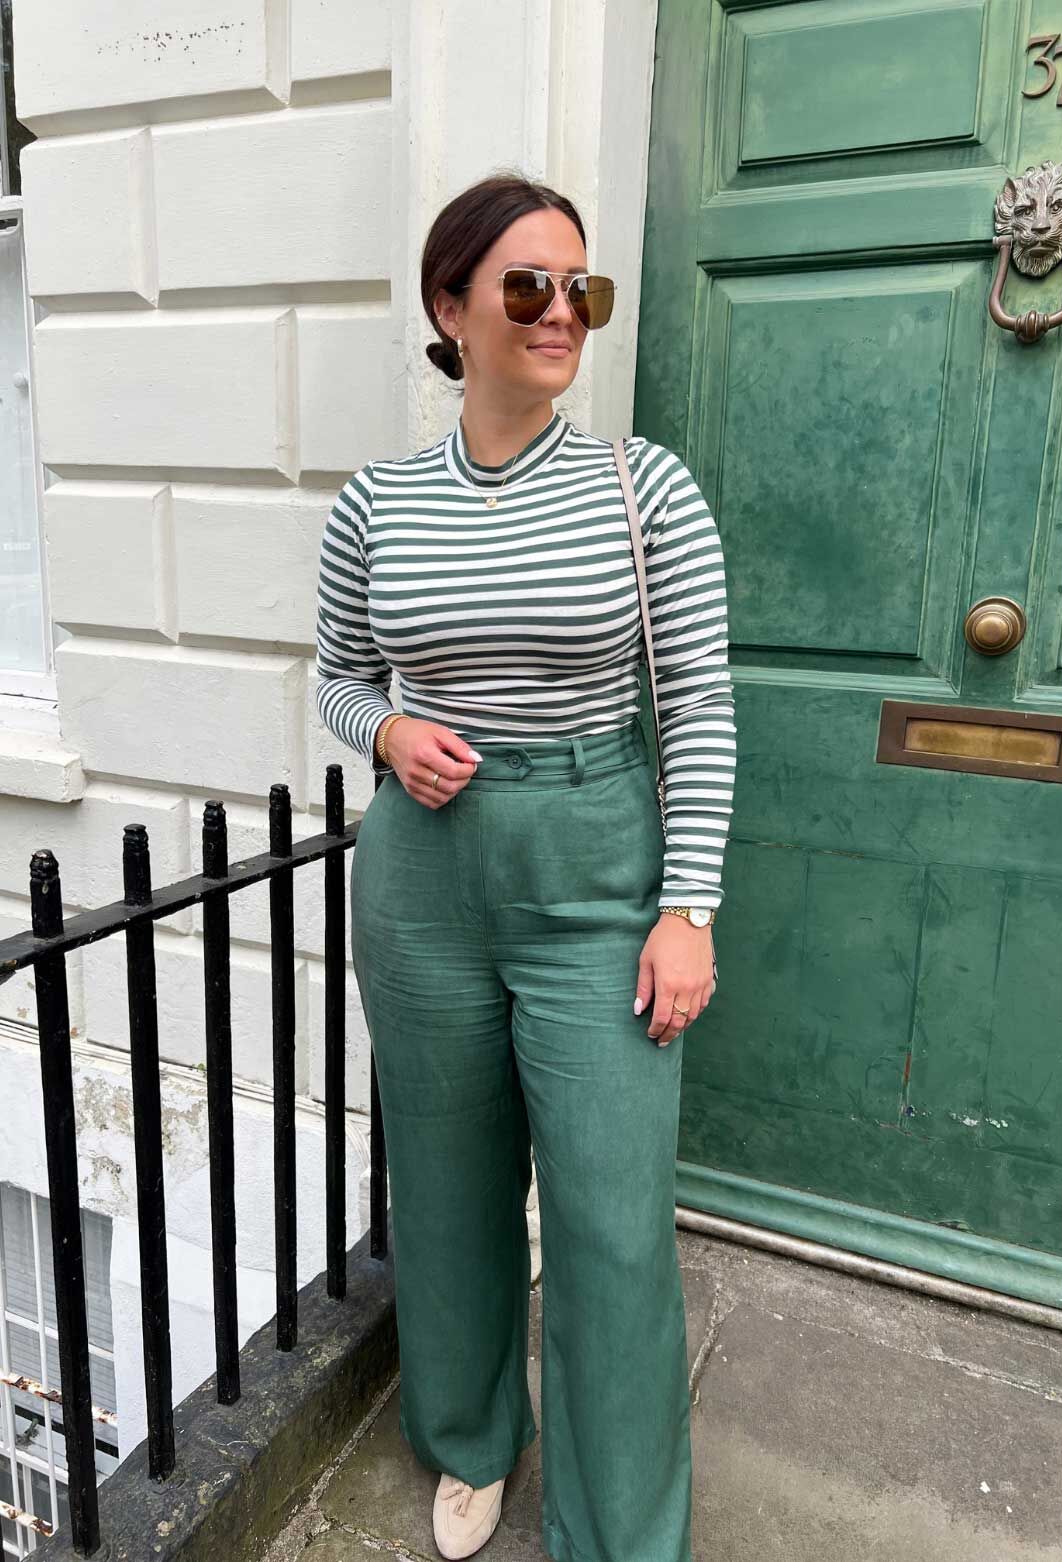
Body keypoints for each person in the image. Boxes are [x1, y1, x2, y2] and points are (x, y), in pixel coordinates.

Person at [314, 169, 736, 1562]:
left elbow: (700, 708)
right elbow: (333, 675)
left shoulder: (642, 485)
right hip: (426, 882)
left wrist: (687, 908)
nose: (562, 313)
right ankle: (472, 1436)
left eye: (581, 288)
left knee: (615, 1220)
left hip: (595, 872)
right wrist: (387, 733)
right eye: (527, 286)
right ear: (452, 307)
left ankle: (620, 1531)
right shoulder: (376, 503)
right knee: (443, 1180)